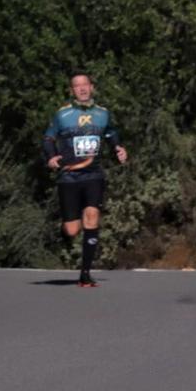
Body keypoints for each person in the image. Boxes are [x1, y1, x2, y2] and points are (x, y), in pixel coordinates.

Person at [43, 71, 128, 288]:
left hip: (93, 174)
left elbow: (110, 133)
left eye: (85, 85)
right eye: (77, 86)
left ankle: (85, 274)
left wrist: (118, 148)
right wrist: (51, 157)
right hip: (69, 176)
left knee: (92, 216)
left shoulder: (103, 114)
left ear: (92, 87)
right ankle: (68, 225)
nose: (81, 89)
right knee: (72, 230)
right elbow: (49, 137)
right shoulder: (62, 115)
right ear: (72, 91)